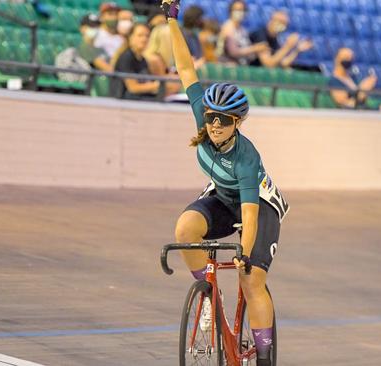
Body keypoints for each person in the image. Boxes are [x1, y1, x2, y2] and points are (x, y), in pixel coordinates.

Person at [163, 0, 289, 365]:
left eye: (224, 120)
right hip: (221, 196)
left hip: (259, 206)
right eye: (211, 117)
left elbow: (249, 216)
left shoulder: (246, 158)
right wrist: (171, 21)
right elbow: (185, 66)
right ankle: (208, 297)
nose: (215, 125)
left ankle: (263, 356)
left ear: (237, 124)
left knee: (251, 280)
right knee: (186, 227)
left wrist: (246, 255)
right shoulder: (202, 114)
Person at [111, 23, 160, 100]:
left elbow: (147, 82)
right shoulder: (126, 57)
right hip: (124, 102)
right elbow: (133, 88)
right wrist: (159, 85)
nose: (144, 39)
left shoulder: (143, 60)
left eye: (147, 36)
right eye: (140, 35)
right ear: (130, 37)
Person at [218, 0, 268, 65]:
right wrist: (255, 48)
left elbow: (246, 48)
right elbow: (233, 52)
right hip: (229, 65)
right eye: (236, 10)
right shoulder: (228, 27)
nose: (240, 12)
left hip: (242, 65)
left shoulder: (242, 29)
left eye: (242, 10)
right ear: (230, 11)